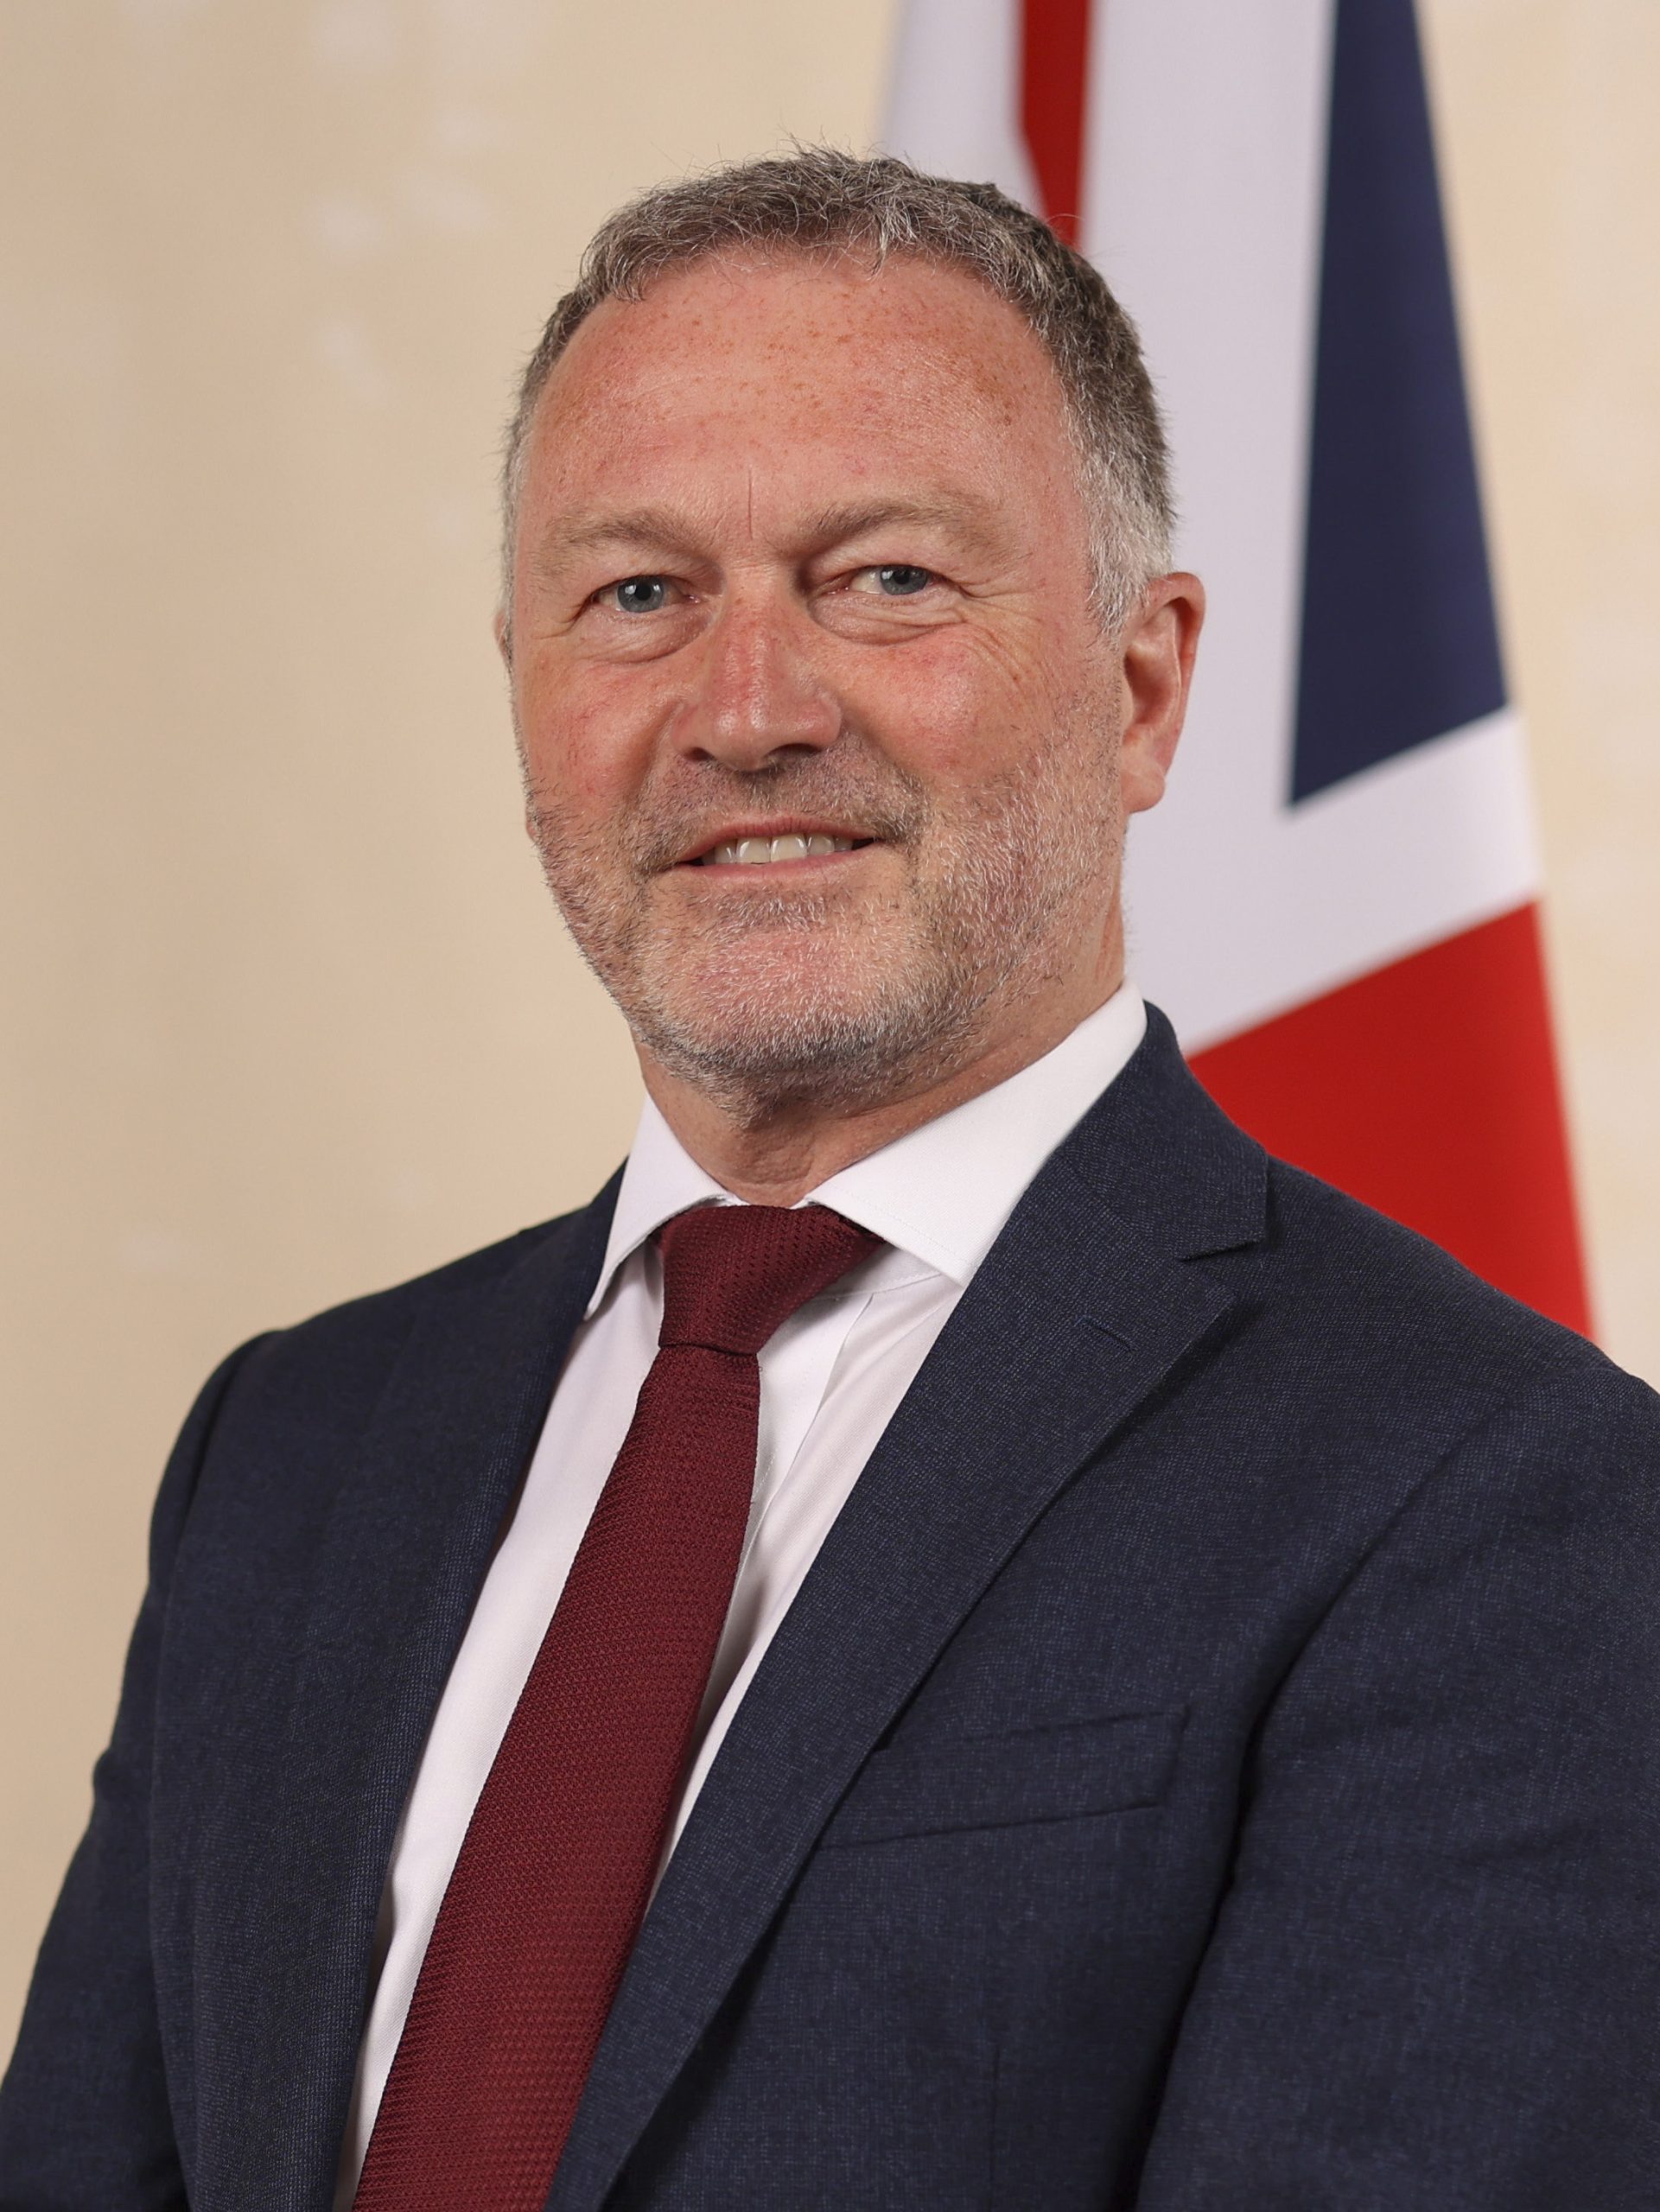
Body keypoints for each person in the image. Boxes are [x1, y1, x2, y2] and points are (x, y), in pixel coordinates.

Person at [2, 148, 1656, 2212]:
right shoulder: (290, 1447)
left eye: (883, 579)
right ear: (519, 683)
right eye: (638, 594)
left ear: (1140, 687)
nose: (749, 710)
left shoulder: (1495, 1498)